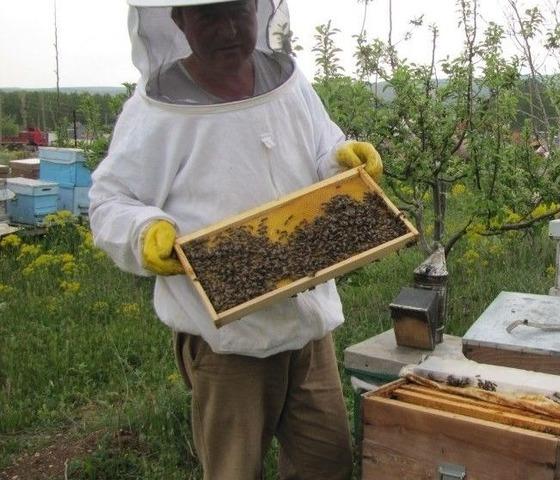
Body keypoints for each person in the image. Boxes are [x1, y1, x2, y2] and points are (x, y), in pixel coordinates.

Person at [89, 1, 381, 478]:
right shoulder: (157, 109)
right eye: (208, 17)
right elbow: (109, 202)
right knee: (233, 471)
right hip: (228, 344)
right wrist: (144, 233)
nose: (228, 30)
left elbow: (322, 148)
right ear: (179, 21)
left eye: (238, 12)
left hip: (308, 329)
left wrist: (341, 158)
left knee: (326, 463)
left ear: (257, 11)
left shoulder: (288, 82)